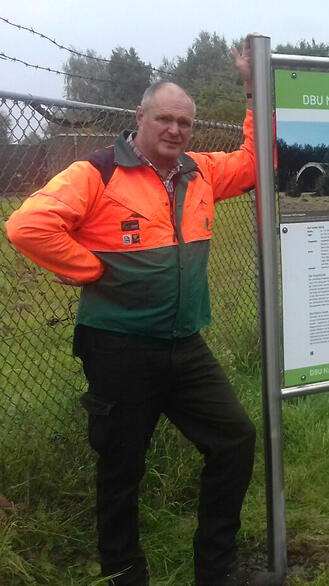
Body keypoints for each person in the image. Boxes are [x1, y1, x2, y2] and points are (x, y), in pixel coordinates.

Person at [6, 37, 264, 585]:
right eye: (164, 119)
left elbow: (252, 162)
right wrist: (89, 268)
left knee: (236, 439)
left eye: (184, 123)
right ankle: (124, 574)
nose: (175, 130)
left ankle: (215, 569)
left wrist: (251, 87)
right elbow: (27, 225)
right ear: (139, 117)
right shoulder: (96, 172)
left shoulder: (199, 171)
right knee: (122, 466)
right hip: (118, 348)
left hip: (184, 345)